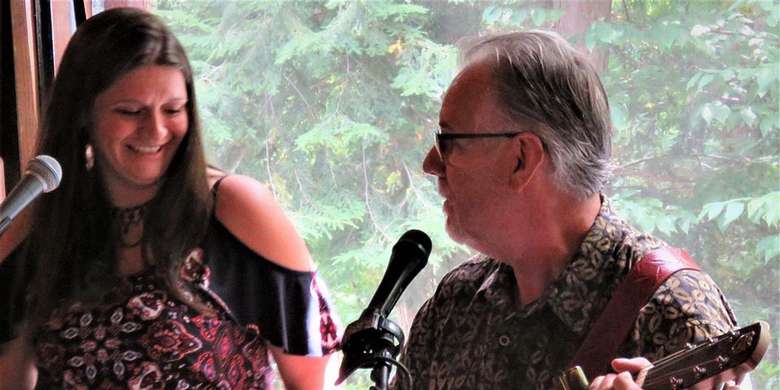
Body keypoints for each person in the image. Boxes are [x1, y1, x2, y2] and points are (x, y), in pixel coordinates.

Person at [0, 8, 339, 389]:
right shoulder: (44, 220)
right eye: (131, 111)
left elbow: (313, 381)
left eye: (173, 110)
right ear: (82, 113)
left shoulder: (233, 208)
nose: (156, 130)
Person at [391, 31, 740, 390]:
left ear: (521, 159)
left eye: (449, 142)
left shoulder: (675, 311)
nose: (431, 163)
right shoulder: (455, 303)